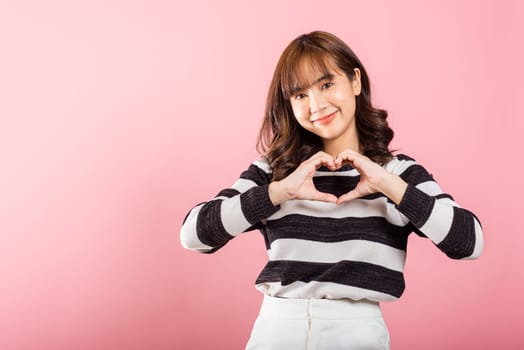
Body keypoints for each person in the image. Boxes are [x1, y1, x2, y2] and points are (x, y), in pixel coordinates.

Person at [180, 31, 483, 350]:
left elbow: (469, 242)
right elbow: (193, 235)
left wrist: (386, 185)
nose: (317, 105)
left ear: (355, 81)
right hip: (276, 330)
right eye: (299, 95)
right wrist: (279, 193)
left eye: (327, 85)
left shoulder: (396, 173)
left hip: (358, 333)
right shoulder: (275, 171)